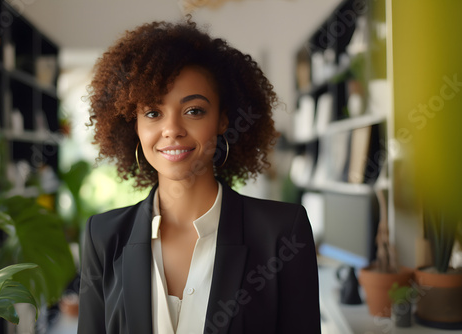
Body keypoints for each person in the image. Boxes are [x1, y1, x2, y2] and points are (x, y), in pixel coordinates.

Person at [77, 18, 320, 334]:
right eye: (153, 113)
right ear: (133, 126)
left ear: (222, 120)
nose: (172, 130)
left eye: (194, 111)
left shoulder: (282, 233)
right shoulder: (104, 237)